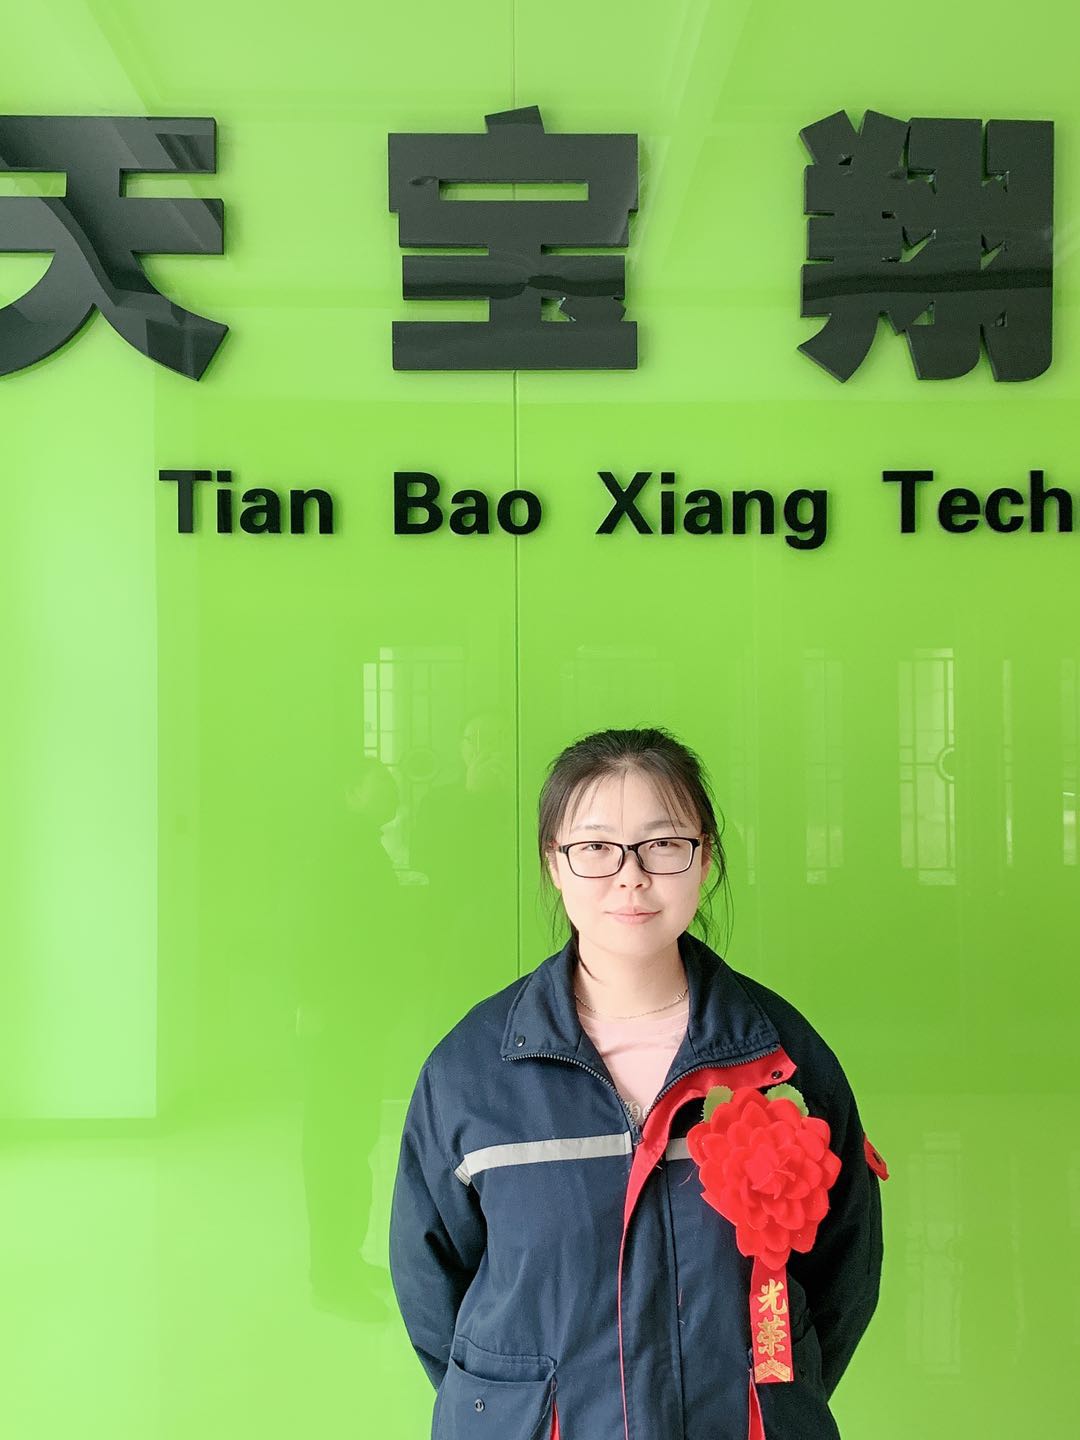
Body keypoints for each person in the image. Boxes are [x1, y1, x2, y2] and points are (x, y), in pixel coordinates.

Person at [389, 727, 886, 1440]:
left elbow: (844, 1269)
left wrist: (773, 1402)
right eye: (595, 847)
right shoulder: (471, 1072)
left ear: (704, 857)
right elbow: (431, 1285)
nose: (631, 875)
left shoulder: (782, 1057)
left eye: (662, 843)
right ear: (554, 863)